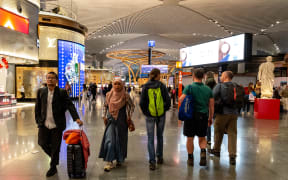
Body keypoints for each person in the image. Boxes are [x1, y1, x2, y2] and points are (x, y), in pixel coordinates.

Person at [35, 72, 83, 177]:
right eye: (48, 78)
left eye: (52, 78)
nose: (50, 80)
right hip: (44, 123)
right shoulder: (41, 91)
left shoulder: (61, 92)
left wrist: (76, 118)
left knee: (56, 147)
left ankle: (53, 167)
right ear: (46, 80)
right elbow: (37, 107)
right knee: (42, 143)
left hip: (57, 124)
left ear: (56, 80)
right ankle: (54, 159)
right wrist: (38, 121)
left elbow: (70, 105)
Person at [179, 68, 214, 167]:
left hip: (190, 116)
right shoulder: (208, 89)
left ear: (193, 76)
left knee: (190, 138)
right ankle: (203, 153)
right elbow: (211, 106)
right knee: (202, 137)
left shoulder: (189, 87)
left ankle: (190, 158)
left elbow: (181, 99)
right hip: (203, 116)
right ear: (203, 77)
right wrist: (210, 117)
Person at [99, 79, 135, 172]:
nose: (117, 86)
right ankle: (109, 161)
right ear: (112, 85)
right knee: (109, 140)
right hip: (111, 121)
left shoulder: (125, 95)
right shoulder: (108, 95)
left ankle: (120, 159)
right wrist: (104, 116)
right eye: (115, 84)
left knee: (120, 140)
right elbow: (105, 106)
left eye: (119, 84)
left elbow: (132, 106)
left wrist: (129, 116)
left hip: (122, 121)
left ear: (122, 85)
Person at [140, 68, 171, 170]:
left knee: (150, 138)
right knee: (160, 136)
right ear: (158, 75)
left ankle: (152, 162)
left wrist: (147, 112)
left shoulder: (146, 86)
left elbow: (142, 102)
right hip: (161, 115)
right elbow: (168, 100)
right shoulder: (162, 86)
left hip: (150, 116)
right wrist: (163, 110)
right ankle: (160, 157)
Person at [209, 71, 242, 165]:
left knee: (218, 131)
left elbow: (212, 96)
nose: (221, 77)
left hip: (222, 113)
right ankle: (232, 156)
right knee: (232, 133)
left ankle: (216, 150)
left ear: (225, 76)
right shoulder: (236, 86)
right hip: (234, 114)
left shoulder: (220, 86)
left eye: (222, 75)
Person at [205, 71, 216, 147]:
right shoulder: (216, 84)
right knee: (216, 124)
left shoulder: (206, 84)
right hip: (215, 105)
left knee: (208, 122)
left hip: (208, 105)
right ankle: (216, 140)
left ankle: (208, 139)